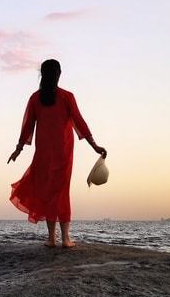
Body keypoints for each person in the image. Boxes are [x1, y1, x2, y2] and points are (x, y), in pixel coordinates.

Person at [7, 59, 107, 248]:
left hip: (44, 152)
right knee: (61, 192)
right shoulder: (67, 97)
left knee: (50, 193)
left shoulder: (36, 98)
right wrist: (94, 145)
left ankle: (52, 239)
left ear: (42, 75)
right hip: (63, 151)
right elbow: (80, 122)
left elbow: (27, 127)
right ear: (59, 75)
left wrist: (18, 149)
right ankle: (66, 239)